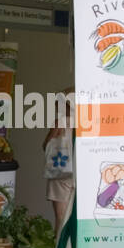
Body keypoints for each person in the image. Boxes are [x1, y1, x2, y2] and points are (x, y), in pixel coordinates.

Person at [43, 85, 75, 234]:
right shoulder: (86, 122)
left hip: (60, 174)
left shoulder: (59, 122)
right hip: (78, 173)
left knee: (61, 217)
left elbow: (46, 146)